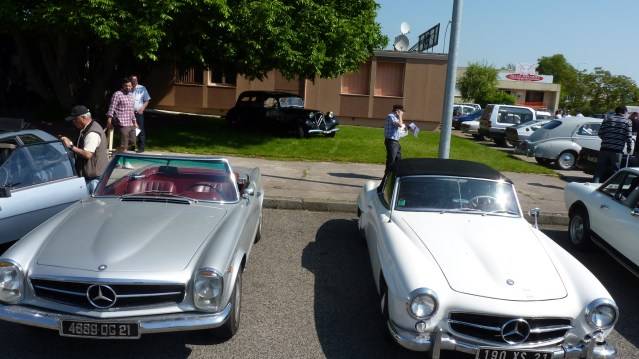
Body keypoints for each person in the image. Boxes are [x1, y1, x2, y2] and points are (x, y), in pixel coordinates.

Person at [59, 105, 108, 182]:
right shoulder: (88, 127)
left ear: (83, 118)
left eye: (75, 119)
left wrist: (71, 146)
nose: (73, 122)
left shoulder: (92, 133)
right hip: (93, 175)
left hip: (94, 178)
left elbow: (87, 154)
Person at [593, 106, 633, 183]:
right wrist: (629, 148)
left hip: (604, 148)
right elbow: (629, 136)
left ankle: (593, 186)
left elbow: (600, 133)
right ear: (624, 112)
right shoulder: (627, 121)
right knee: (615, 171)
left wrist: (607, 140)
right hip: (617, 150)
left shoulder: (607, 119)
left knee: (599, 170)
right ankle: (611, 189)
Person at [106, 78, 138, 152]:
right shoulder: (117, 94)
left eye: (130, 86)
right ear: (123, 86)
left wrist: (135, 122)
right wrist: (109, 119)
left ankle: (117, 152)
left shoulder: (131, 95)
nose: (128, 87)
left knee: (133, 142)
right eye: (126, 86)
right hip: (121, 121)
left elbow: (131, 110)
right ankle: (122, 157)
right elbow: (112, 107)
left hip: (130, 121)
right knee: (124, 143)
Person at [379, 104, 405, 192]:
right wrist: (400, 116)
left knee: (399, 161)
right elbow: (400, 125)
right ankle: (383, 185)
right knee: (391, 162)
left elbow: (398, 131)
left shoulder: (395, 118)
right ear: (397, 111)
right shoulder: (391, 116)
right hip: (391, 142)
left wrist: (407, 129)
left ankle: (395, 178)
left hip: (396, 142)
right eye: (402, 112)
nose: (402, 113)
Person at [130, 74, 151, 153]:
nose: (134, 81)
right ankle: (132, 145)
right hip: (129, 113)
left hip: (138, 112)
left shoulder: (142, 88)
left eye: (136, 80)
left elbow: (147, 100)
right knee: (131, 130)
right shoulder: (129, 88)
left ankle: (141, 147)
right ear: (131, 81)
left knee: (140, 129)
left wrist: (142, 108)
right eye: (133, 80)